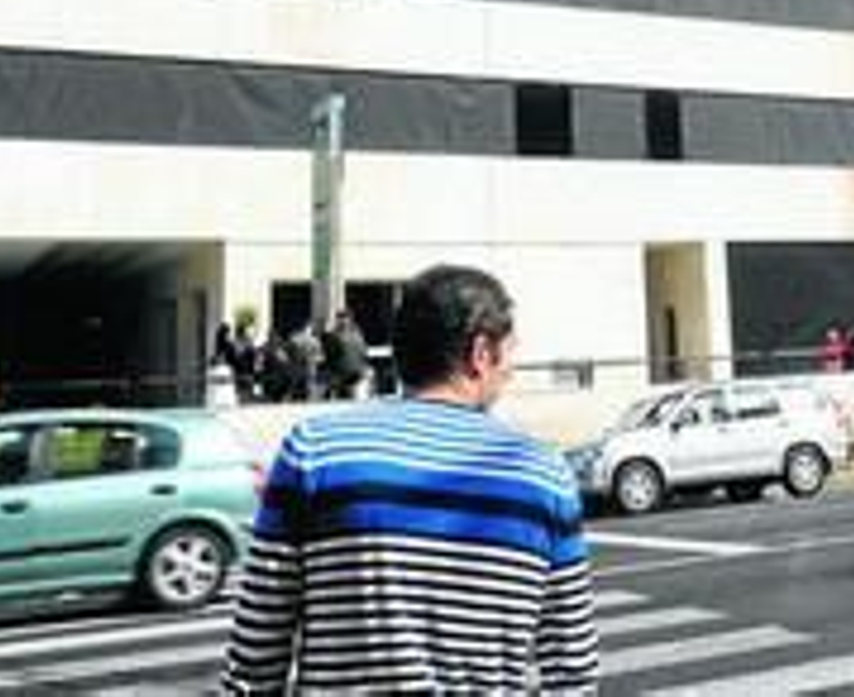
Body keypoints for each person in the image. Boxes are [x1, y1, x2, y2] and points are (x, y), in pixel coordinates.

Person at [220, 263, 598, 693]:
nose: (511, 368)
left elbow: (254, 660)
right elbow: (573, 671)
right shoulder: (544, 476)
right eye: (510, 351)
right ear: (481, 354)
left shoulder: (314, 452)